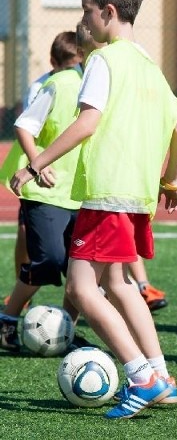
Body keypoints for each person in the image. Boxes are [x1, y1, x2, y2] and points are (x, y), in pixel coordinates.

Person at [10, 0, 177, 419]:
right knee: (120, 284)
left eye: (87, 11)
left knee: (82, 287)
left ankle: (141, 376)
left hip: (106, 190)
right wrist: (172, 180)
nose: (83, 21)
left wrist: (36, 163)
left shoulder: (103, 61)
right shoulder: (151, 66)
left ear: (108, 12)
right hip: (138, 196)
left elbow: (87, 122)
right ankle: (162, 377)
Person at [0, 30, 87, 353]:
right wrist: (37, 162)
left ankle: (67, 328)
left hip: (85, 193)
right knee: (49, 261)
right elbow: (24, 125)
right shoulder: (60, 84)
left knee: (81, 269)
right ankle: (7, 319)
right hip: (46, 192)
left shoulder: (109, 89)